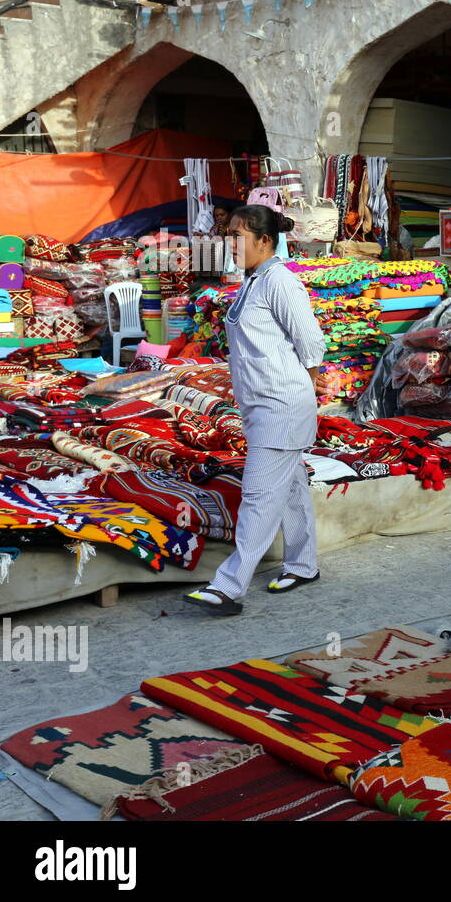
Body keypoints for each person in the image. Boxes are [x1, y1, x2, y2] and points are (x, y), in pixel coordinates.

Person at [184, 204, 328, 616]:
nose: (230, 244)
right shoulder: (254, 280)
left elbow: (311, 342)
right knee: (293, 489)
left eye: (238, 236)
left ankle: (229, 587)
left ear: (264, 241)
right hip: (262, 404)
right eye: (229, 234)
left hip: (281, 406)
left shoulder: (280, 282)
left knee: (259, 495)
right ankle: (303, 565)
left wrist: (306, 388)